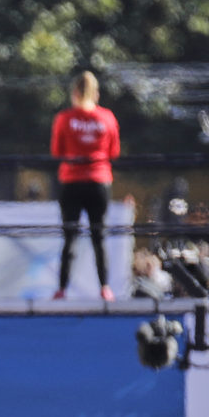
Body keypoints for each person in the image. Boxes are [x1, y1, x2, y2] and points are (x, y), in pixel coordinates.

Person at [49, 71, 121, 302]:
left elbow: (57, 151)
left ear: (74, 93)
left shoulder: (64, 118)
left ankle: (62, 289)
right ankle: (105, 288)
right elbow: (114, 152)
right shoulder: (107, 117)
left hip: (71, 182)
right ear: (96, 93)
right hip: (99, 181)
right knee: (99, 236)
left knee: (69, 236)